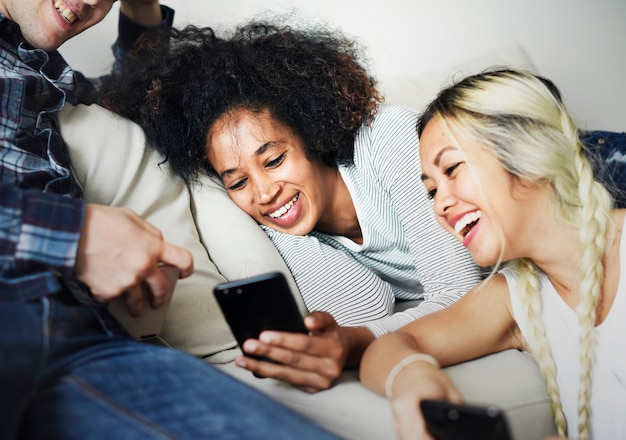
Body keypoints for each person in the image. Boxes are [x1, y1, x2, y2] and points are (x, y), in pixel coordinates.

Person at [0, 1, 340, 438]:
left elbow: (139, 91)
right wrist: (74, 234)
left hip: (90, 344)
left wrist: (140, 6)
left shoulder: (43, 74)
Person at [100, 22, 485, 393]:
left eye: (273, 161)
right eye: (237, 181)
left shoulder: (388, 139)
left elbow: (460, 294)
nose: (265, 192)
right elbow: (362, 305)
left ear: (311, 134)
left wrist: (353, 342)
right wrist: (265, 223)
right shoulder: (284, 223)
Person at [359, 68, 626, 440]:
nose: (440, 204)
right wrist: (412, 377)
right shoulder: (515, 296)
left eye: (452, 169)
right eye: (431, 191)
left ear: (526, 148)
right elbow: (389, 347)